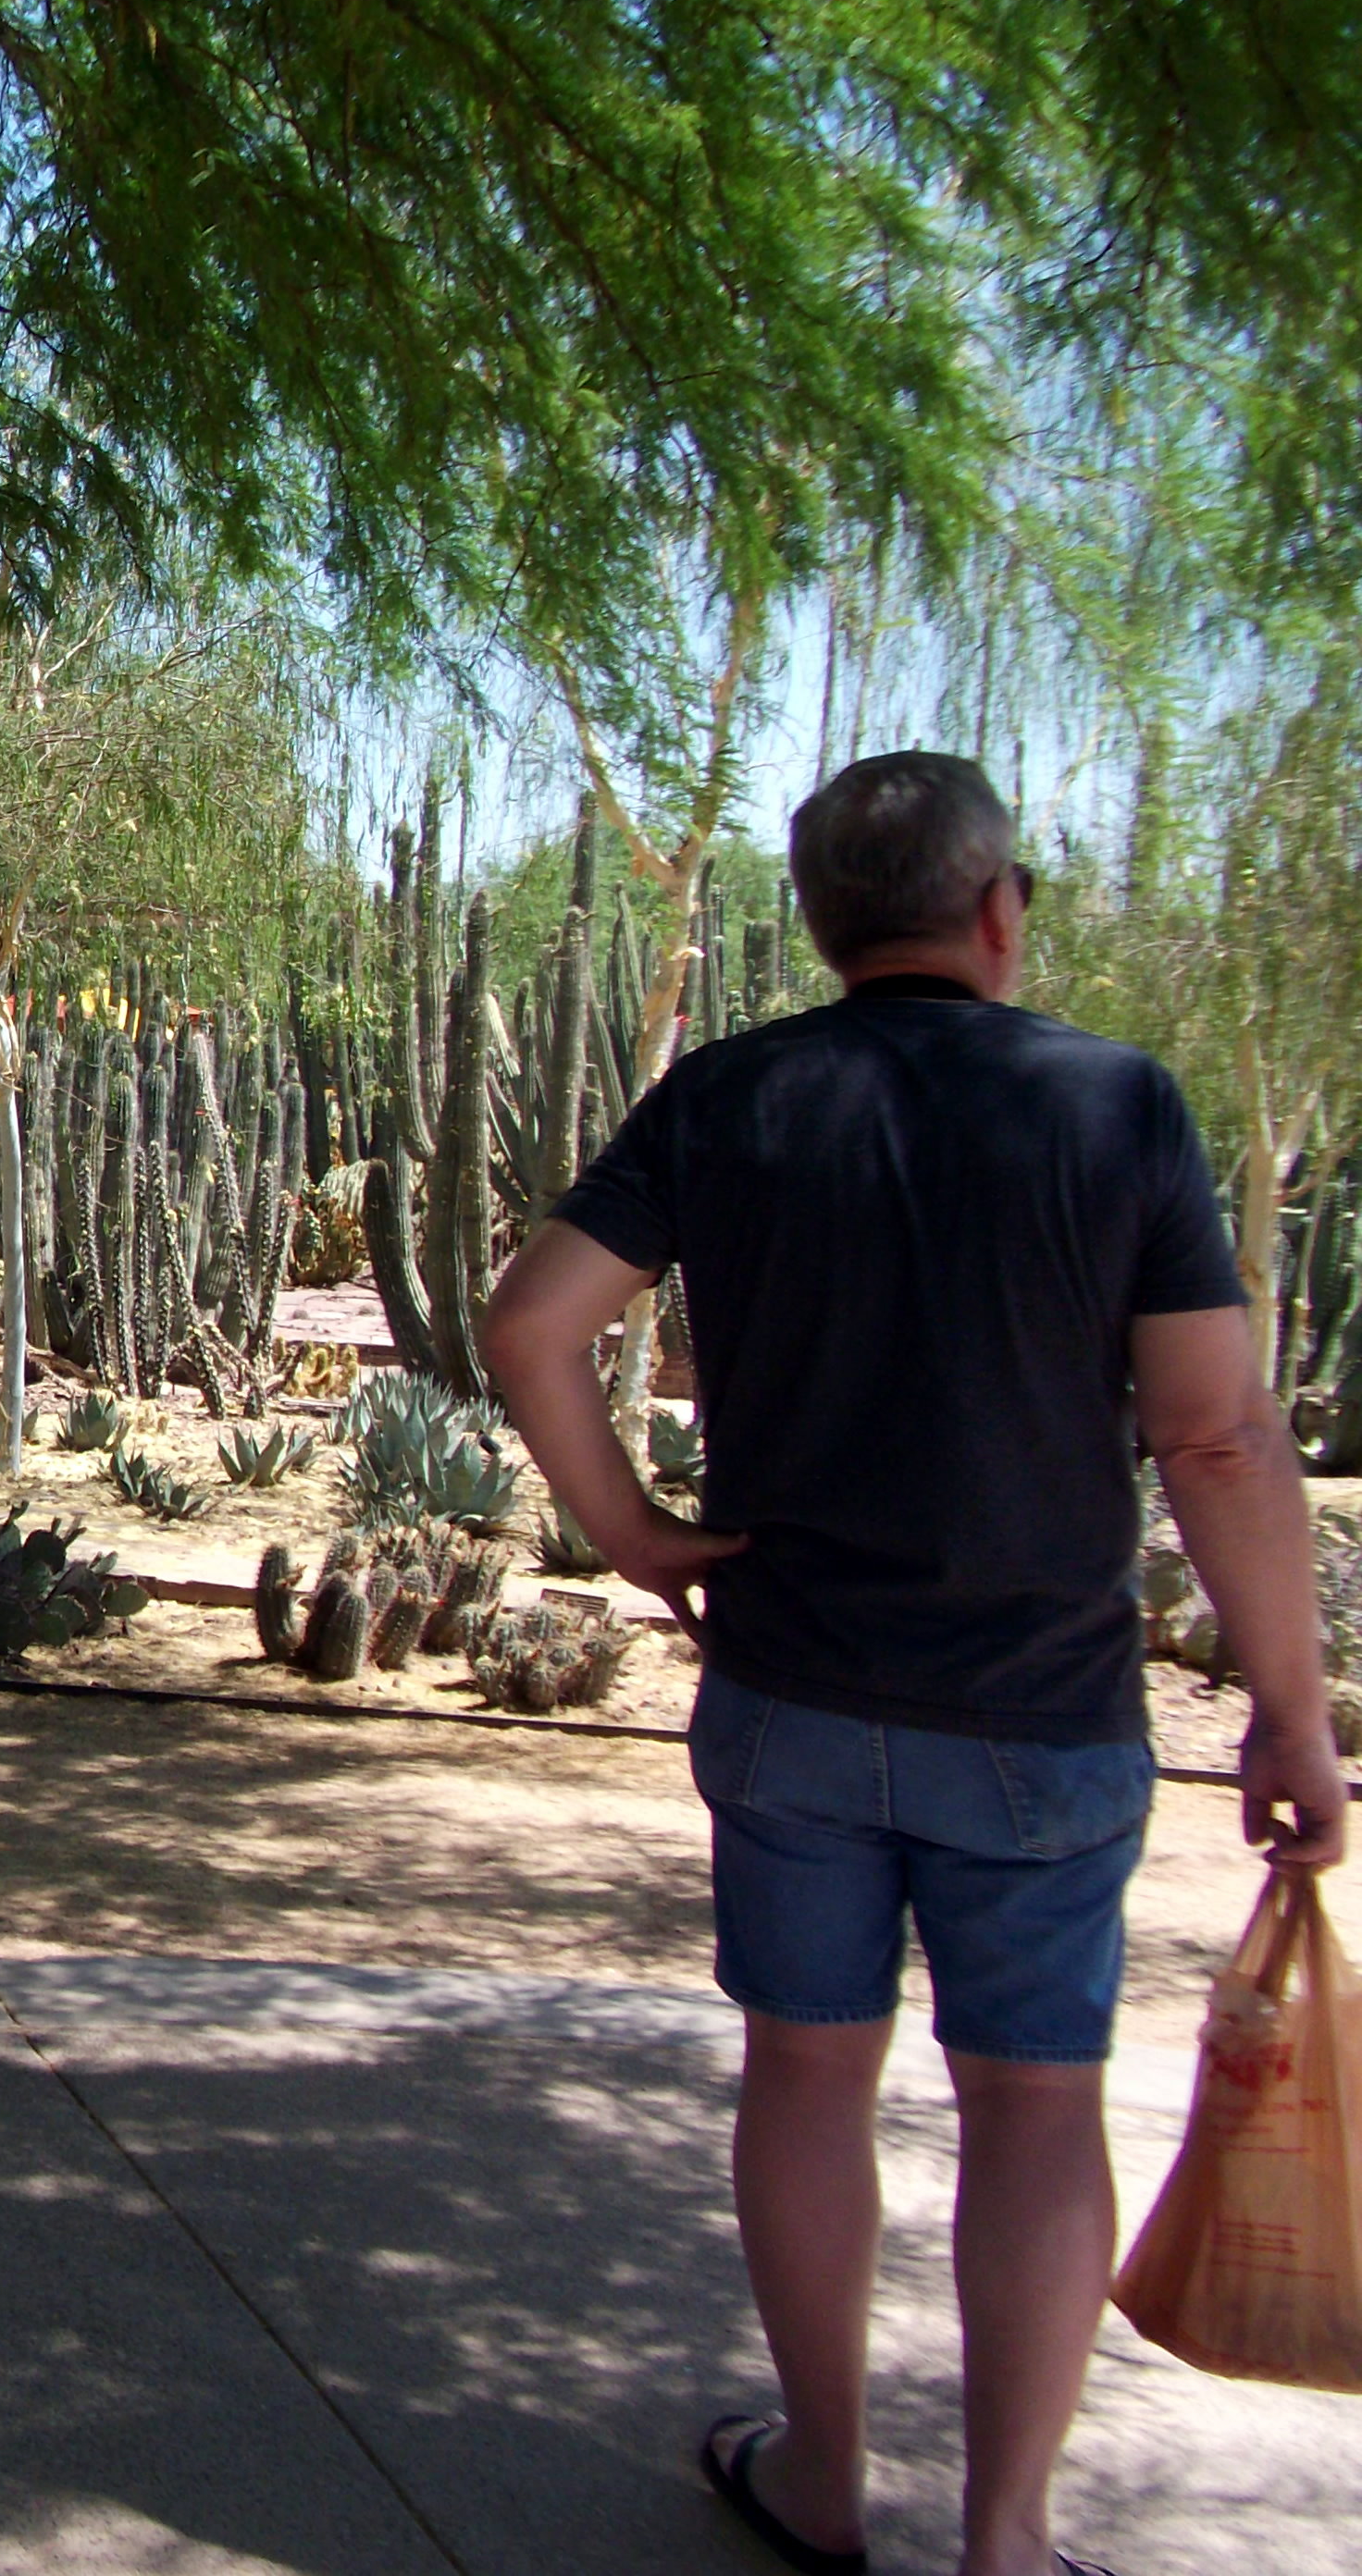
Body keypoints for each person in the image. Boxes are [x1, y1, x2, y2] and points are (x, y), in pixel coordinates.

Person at [480, 752, 1348, 2576]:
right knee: (1029, 2106)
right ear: (996, 909)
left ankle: (817, 2475)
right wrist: (1285, 1701)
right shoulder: (1113, 1106)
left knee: (802, 2078)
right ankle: (1007, 2541)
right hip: (1036, 1721)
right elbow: (1209, 1440)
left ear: (817, 924)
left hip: (788, 1696)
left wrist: (630, 1534)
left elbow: (528, 1323)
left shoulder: (731, 1098)